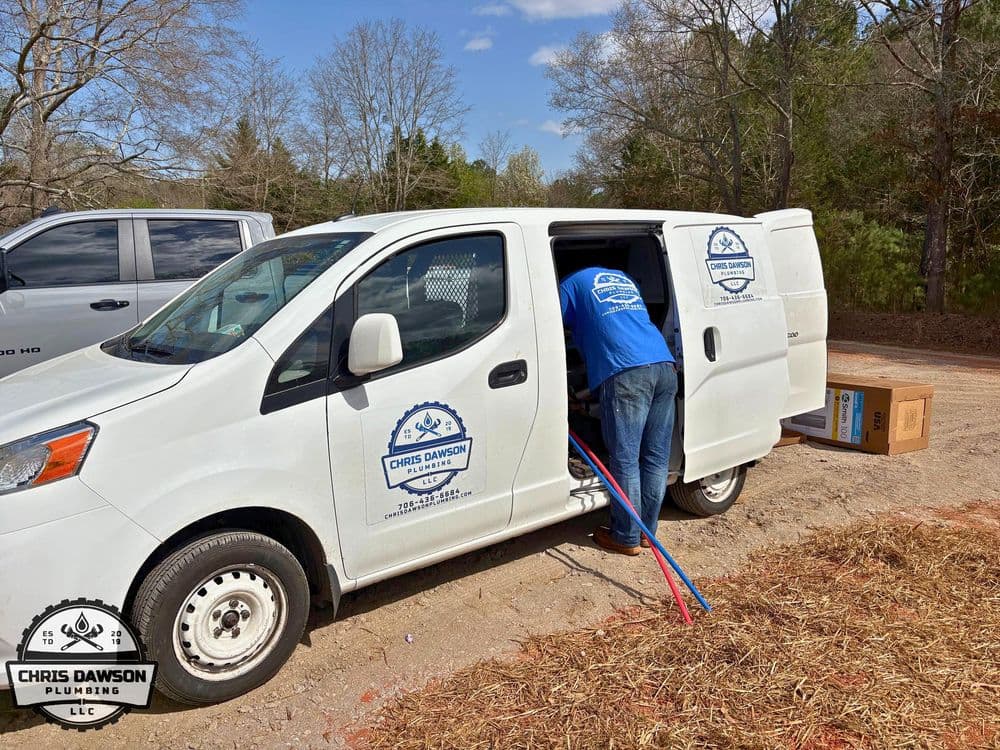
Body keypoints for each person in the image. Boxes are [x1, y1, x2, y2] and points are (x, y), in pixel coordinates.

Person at [560, 266, 677, 556]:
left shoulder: (569, 285)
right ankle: (647, 533)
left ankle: (625, 536)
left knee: (625, 459)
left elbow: (547, 329)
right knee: (655, 457)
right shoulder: (623, 279)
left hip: (625, 370)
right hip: (663, 363)